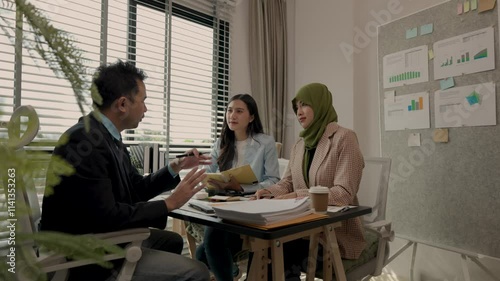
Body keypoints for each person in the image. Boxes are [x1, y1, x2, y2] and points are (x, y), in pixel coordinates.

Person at [40, 60, 211, 281]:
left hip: (97, 237)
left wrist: (174, 166)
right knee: (198, 272)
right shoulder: (84, 141)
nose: (146, 109)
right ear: (122, 104)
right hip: (80, 255)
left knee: (172, 240)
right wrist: (169, 203)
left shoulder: (107, 137)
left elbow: (135, 188)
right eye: (143, 101)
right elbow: (106, 216)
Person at [254, 83, 365, 280]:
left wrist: (299, 195)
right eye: (296, 107)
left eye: (305, 104)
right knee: (263, 244)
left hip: (332, 233)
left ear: (320, 104)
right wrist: (270, 192)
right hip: (300, 226)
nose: (299, 112)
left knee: (280, 247)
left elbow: (343, 193)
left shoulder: (344, 138)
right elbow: (287, 183)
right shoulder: (299, 144)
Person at [194, 94, 280, 281]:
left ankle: (230, 270)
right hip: (224, 204)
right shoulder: (221, 143)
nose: (232, 115)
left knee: (208, 246)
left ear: (251, 117)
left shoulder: (265, 143)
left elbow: (274, 181)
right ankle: (231, 271)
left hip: (251, 205)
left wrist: (241, 187)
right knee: (204, 251)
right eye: (230, 110)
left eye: (239, 111)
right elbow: (208, 173)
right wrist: (208, 179)